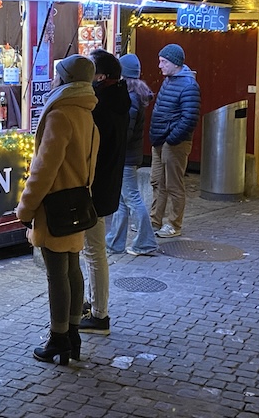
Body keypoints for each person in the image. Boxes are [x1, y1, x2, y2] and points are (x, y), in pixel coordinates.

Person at [16, 55, 99, 365]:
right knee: (72, 268)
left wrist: (26, 207)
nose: (52, 81)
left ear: (65, 81)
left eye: (56, 76)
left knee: (56, 274)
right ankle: (73, 335)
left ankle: (58, 338)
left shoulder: (60, 115)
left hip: (55, 207)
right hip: (77, 203)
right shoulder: (87, 115)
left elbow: (43, 169)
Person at [78, 49, 130, 336]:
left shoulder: (100, 106)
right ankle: (93, 305)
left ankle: (99, 314)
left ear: (100, 76)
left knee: (94, 251)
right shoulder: (119, 98)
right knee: (92, 250)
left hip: (95, 186)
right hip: (107, 184)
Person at [107, 53, 158, 256]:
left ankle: (145, 242)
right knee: (121, 200)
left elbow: (124, 132)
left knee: (132, 198)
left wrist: (112, 147)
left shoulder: (130, 98)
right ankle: (115, 242)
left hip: (126, 158)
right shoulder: (135, 95)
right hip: (128, 157)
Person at [149, 44, 200, 238]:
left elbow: (189, 118)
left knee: (173, 185)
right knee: (157, 182)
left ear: (175, 63)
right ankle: (155, 221)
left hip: (174, 143)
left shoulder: (188, 85)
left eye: (163, 62)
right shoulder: (169, 80)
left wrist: (171, 139)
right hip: (161, 140)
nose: (160, 66)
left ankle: (174, 224)